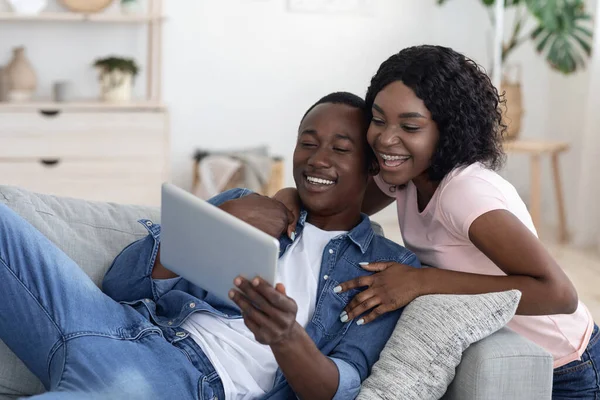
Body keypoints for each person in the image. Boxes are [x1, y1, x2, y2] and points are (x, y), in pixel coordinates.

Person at [0, 92, 420, 400]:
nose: (317, 159)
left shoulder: (385, 268)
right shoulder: (247, 202)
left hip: (183, 378)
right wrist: (227, 218)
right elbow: (120, 286)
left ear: (370, 167)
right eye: (307, 143)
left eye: (340, 149)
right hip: (114, 324)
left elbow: (337, 389)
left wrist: (285, 335)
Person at [277, 46, 599, 399]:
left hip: (565, 366)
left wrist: (423, 281)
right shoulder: (402, 172)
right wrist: (290, 198)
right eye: (379, 120)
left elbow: (560, 294)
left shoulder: (465, 193)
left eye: (410, 126)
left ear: (448, 130)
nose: (385, 139)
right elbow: (338, 205)